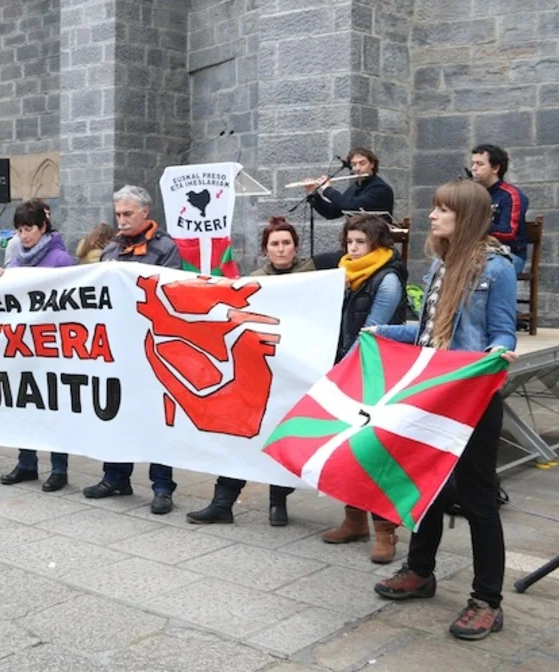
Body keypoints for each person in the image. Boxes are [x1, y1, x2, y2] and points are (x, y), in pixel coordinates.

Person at [371, 179, 518, 641]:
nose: (432, 216)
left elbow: (503, 330)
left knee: (478, 499)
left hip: (472, 397)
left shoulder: (498, 268)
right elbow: (430, 332)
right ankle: (420, 571)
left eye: (443, 210)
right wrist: (382, 333)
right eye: (435, 208)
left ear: (466, 217)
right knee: (427, 486)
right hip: (432, 393)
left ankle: (487, 600)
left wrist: (498, 352)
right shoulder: (441, 264)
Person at [186, 217, 312, 528]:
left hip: (295, 371)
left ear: (295, 247)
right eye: (275, 244)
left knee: (284, 435)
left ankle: (278, 501)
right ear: (265, 250)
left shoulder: (313, 279)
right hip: (257, 368)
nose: (281, 249)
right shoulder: (254, 281)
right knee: (241, 433)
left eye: (286, 243)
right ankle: (223, 502)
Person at [83, 185, 181, 515]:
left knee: (157, 416)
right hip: (117, 347)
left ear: (145, 212)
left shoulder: (166, 248)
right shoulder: (111, 249)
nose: (121, 220)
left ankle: (162, 487)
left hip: (153, 346)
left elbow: (171, 293)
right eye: (118, 214)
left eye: (127, 214)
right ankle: (115, 477)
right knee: (116, 411)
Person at [321, 213, 409, 563]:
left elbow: (371, 332)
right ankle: (354, 520)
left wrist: (342, 373)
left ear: (377, 243)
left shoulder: (387, 280)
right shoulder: (347, 273)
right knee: (348, 449)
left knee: (376, 453)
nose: (353, 248)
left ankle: (386, 531)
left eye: (361, 242)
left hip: (375, 372)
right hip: (346, 367)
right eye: (350, 241)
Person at [0, 200, 77, 491]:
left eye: (29, 229)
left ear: (43, 227)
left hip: (52, 345)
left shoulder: (60, 260)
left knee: (54, 407)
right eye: (19, 230)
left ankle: (59, 468)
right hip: (23, 345)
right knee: (24, 405)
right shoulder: (17, 262)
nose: (23, 235)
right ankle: (26, 462)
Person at [470, 144, 529, 274]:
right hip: (475, 252)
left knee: (477, 265)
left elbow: (509, 232)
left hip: (508, 255)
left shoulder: (510, 195)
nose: (473, 168)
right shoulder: (471, 194)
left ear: (495, 168)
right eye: (473, 163)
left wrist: (475, 225)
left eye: (480, 164)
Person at [303, 147, 395, 220]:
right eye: (354, 164)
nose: (357, 168)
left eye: (362, 163)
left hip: (377, 236)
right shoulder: (355, 187)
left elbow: (351, 206)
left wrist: (328, 190)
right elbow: (332, 212)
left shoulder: (380, 188)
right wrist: (313, 193)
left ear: (372, 164)